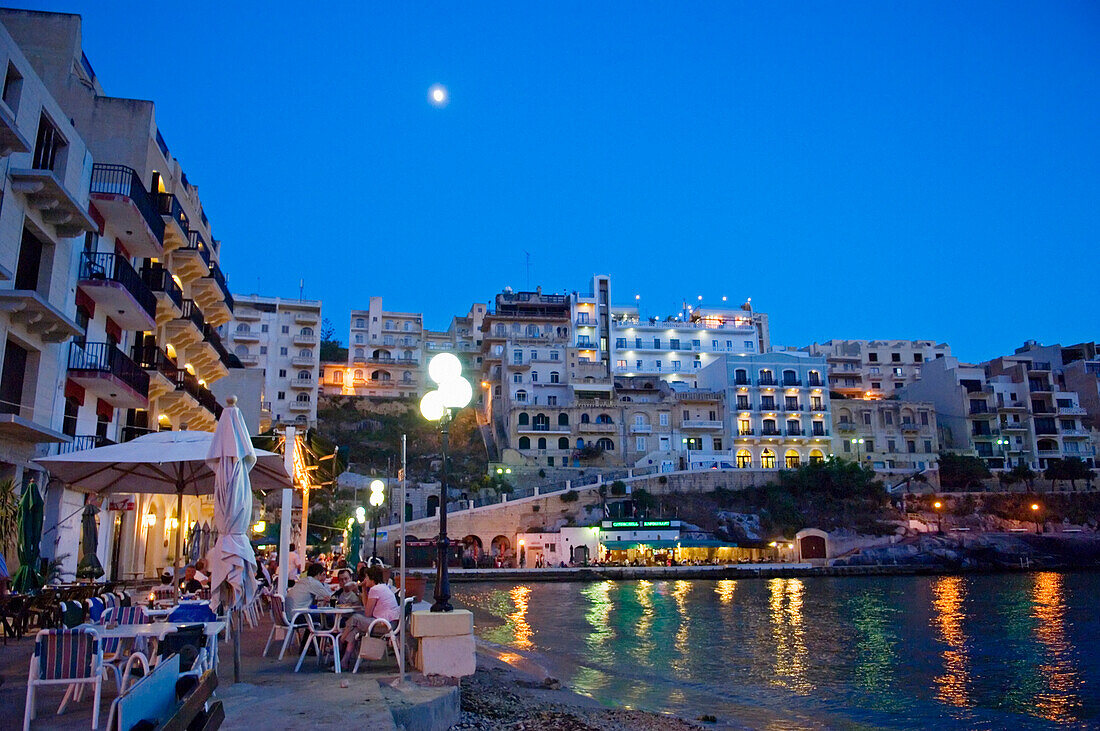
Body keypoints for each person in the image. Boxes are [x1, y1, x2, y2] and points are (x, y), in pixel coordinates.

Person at [340, 565, 400, 658]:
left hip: (384, 625)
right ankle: (345, 661)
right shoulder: (383, 587)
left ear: (372, 578)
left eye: (366, 577)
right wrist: (363, 588)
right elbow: (366, 606)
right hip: (390, 623)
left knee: (355, 618)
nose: (365, 579)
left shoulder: (375, 589)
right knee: (355, 630)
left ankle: (340, 642)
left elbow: (368, 614)